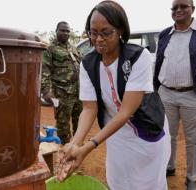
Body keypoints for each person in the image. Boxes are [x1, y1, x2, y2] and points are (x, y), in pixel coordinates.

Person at [56, 1, 171, 190]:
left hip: (145, 131)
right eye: (93, 33)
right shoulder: (88, 63)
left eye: (106, 32)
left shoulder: (137, 57)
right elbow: (89, 108)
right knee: (119, 181)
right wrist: (75, 143)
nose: (98, 39)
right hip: (115, 133)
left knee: (149, 183)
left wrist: (89, 146)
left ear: (120, 31)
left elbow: (126, 112)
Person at [153, 0, 196, 189]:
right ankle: (169, 166)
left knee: (194, 141)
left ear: (193, 9)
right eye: (175, 7)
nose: (178, 10)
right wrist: (153, 89)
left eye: (183, 6)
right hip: (166, 94)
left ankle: (192, 178)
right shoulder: (165, 34)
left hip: (194, 95)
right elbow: (156, 62)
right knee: (167, 135)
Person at [41, 21, 82, 145]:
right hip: (61, 93)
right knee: (63, 124)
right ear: (56, 31)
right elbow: (45, 69)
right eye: (63, 30)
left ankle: (76, 146)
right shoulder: (50, 49)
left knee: (79, 121)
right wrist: (46, 91)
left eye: (68, 31)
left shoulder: (72, 48)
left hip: (78, 92)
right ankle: (65, 150)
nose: (65, 33)